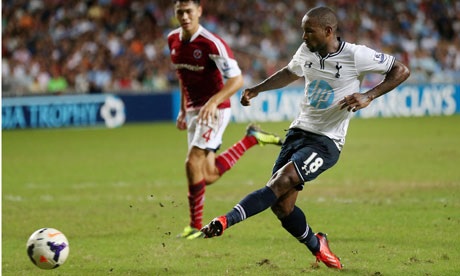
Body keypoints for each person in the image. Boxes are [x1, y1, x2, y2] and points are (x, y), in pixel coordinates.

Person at [200, 6, 410, 269]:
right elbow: (290, 72)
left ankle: (225, 221)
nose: (303, 36)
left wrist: (368, 95)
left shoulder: (356, 55)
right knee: (282, 207)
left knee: (280, 181)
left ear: (328, 31)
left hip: (326, 142)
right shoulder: (307, 52)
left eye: (308, 31)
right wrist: (257, 89)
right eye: (303, 31)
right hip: (298, 133)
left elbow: (401, 70)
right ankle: (317, 245)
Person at [167, 0, 284, 240]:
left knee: (192, 163)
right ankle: (251, 140)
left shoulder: (211, 43)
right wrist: (182, 109)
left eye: (189, 11)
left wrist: (212, 102)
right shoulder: (172, 40)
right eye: (180, 12)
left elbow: (237, 80)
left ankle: (194, 227)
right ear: (175, 13)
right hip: (193, 110)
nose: (185, 16)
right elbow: (183, 76)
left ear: (199, 11)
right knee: (207, 174)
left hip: (215, 109)